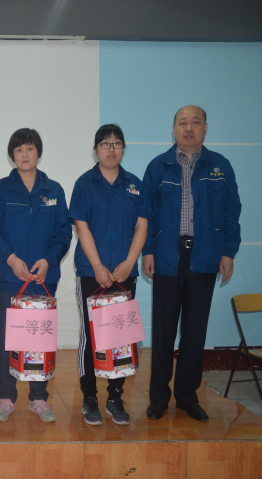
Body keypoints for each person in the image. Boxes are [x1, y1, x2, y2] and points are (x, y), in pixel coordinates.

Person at [142, 105, 241, 422]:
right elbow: (146, 214)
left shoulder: (220, 166)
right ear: (173, 129)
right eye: (182, 123)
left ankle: (186, 396)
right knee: (163, 333)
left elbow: (231, 212)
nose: (188, 128)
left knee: (195, 333)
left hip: (205, 256)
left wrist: (228, 251)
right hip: (167, 257)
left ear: (205, 128)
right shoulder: (158, 166)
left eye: (195, 122)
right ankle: (159, 398)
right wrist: (147, 250)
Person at [0, 128, 71, 423]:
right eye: (19, 149)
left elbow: (63, 232)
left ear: (38, 153)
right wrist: (11, 259)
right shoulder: (0, 190)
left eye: (30, 149)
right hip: (10, 279)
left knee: (40, 338)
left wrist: (48, 260)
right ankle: (6, 397)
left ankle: (39, 398)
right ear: (12, 155)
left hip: (44, 279)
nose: (24, 154)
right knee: (8, 339)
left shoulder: (54, 190)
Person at [68, 124, 147, 426]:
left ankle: (115, 396)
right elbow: (82, 227)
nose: (111, 149)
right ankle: (90, 396)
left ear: (123, 148)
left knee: (120, 336)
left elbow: (142, 225)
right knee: (92, 336)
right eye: (105, 143)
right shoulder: (84, 184)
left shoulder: (135, 184)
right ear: (95, 150)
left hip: (125, 273)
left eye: (116, 143)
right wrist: (98, 266)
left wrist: (129, 262)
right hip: (92, 272)